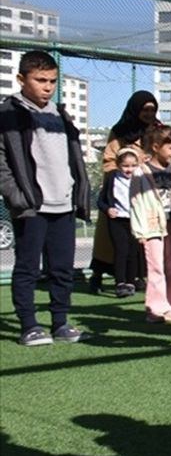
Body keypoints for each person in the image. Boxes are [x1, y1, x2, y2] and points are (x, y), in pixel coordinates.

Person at [0, 50, 91, 346]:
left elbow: (73, 157)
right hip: (31, 206)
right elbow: (2, 162)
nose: (48, 86)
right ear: (21, 79)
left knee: (63, 268)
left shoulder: (60, 114)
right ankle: (29, 326)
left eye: (52, 80)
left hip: (64, 203)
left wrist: (78, 191)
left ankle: (60, 322)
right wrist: (18, 197)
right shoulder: (8, 113)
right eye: (40, 80)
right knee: (27, 267)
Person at [88, 90, 159, 293]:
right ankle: (99, 275)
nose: (148, 113)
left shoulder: (157, 129)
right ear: (135, 109)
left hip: (145, 192)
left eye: (152, 109)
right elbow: (109, 159)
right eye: (145, 109)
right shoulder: (120, 131)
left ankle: (135, 276)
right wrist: (126, 169)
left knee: (140, 239)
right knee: (110, 240)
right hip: (119, 191)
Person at [130, 124, 171, 323]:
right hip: (151, 226)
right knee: (155, 267)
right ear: (156, 147)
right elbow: (136, 202)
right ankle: (156, 309)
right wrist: (139, 231)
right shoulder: (141, 173)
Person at [98, 147, 142, 297]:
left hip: (135, 219)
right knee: (121, 250)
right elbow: (101, 200)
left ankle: (131, 281)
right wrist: (108, 209)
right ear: (118, 165)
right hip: (117, 220)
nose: (129, 170)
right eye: (125, 166)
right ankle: (120, 282)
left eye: (133, 165)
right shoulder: (112, 178)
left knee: (133, 252)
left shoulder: (141, 178)